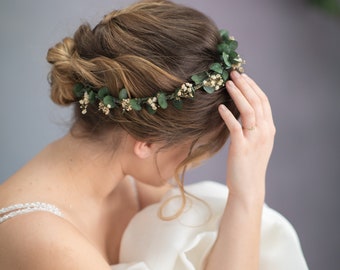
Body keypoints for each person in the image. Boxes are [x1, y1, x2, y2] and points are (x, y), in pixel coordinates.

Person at [0, 0, 308, 269]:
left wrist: (247, 194)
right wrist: (248, 194)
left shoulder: (130, 181)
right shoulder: (42, 239)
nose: (191, 165)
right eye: (196, 149)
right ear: (145, 143)